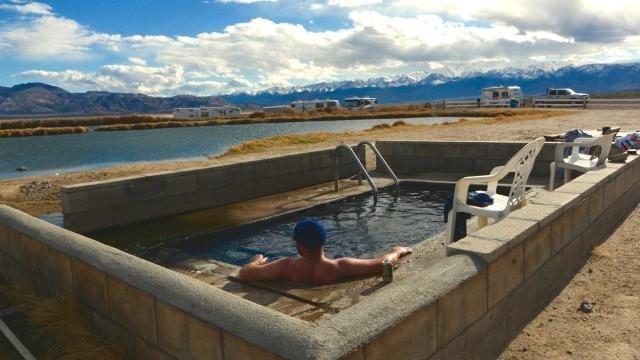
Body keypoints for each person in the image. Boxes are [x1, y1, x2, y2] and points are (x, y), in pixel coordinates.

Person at [238, 219, 412, 286]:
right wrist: (397, 251)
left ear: (298, 246)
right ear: (324, 242)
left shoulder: (286, 266)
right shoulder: (340, 266)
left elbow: (244, 273)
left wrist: (256, 261)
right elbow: (382, 264)